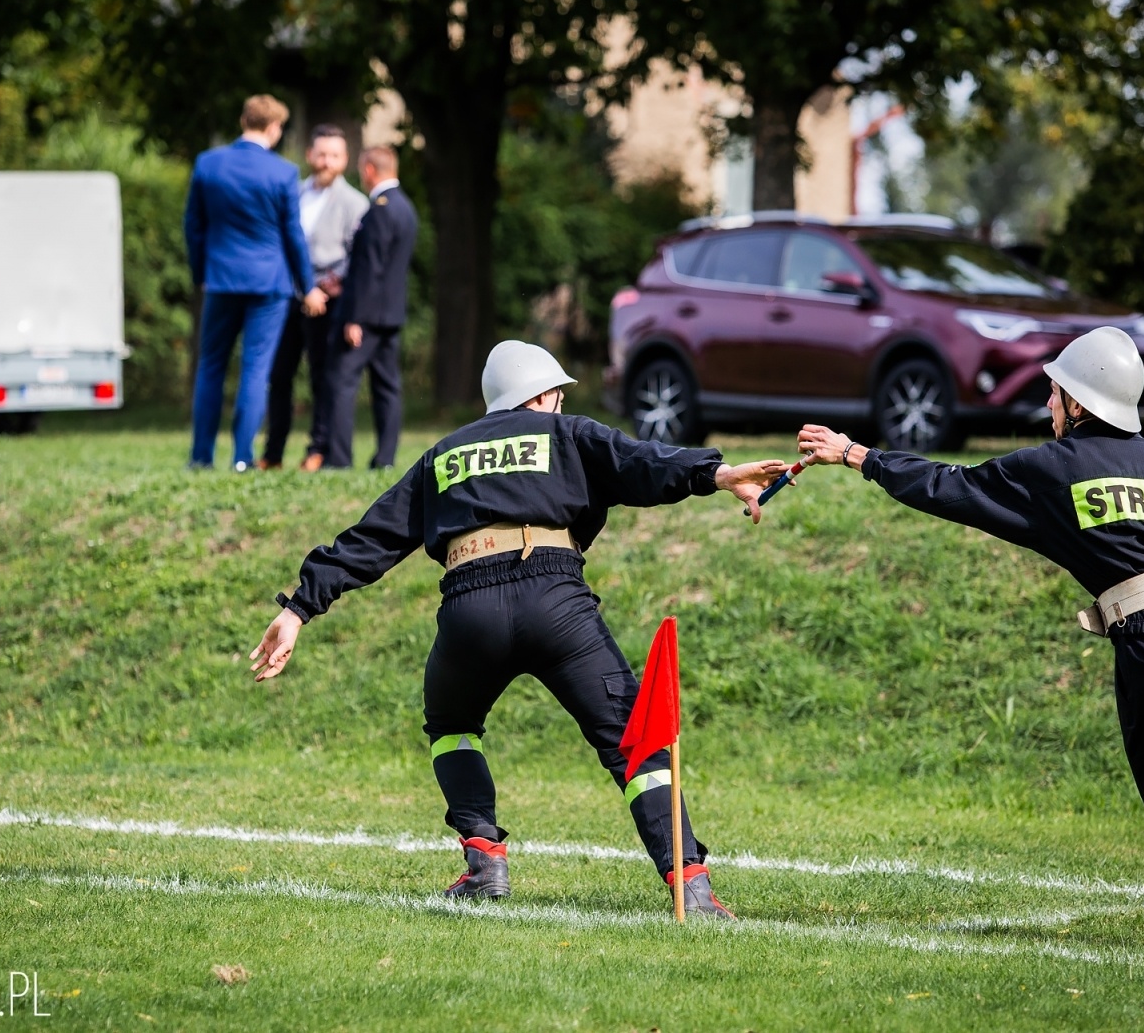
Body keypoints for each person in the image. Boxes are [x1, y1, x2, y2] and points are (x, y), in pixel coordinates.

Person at [796, 326, 1144, 960]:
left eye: (1055, 393)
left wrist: (857, 456)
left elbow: (950, 487)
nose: (1048, 405)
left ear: (1081, 405)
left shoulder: (1053, 469)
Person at [250, 340, 788, 916]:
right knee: (632, 743)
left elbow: (375, 536)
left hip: (468, 603)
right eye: (556, 392)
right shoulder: (568, 434)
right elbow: (643, 462)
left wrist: (298, 608)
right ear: (540, 394)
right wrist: (719, 473)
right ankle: (691, 886)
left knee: (452, 725)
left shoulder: (444, 453)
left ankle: (484, 862)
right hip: (554, 595)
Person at [184, 94, 316, 472]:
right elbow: (294, 235)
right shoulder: (282, 172)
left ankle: (200, 457)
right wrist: (307, 286)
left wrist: (201, 275)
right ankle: (242, 458)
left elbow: (194, 227)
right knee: (255, 371)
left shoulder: (208, 164)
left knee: (210, 366)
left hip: (221, 280)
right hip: (269, 283)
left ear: (244, 119)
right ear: (274, 127)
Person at [259, 125, 370, 472]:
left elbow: (358, 257)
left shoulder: (356, 203)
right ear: (310, 155)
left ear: (345, 159)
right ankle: (273, 452)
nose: (326, 162)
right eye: (321, 154)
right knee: (279, 374)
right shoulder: (293, 193)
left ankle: (317, 449)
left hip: (327, 301)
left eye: (334, 155)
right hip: (286, 295)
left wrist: (324, 289)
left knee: (321, 377)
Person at [323, 145, 418, 470]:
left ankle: (338, 459)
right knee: (387, 387)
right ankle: (386, 459)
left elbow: (370, 269)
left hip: (366, 316)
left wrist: (354, 318)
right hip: (390, 315)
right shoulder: (405, 207)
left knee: (340, 382)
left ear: (368, 170)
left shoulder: (380, 209)